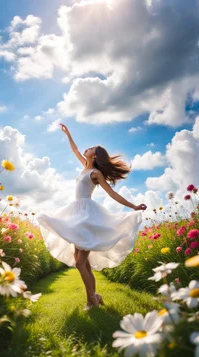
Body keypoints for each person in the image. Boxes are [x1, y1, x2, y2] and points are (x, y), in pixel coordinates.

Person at [36, 123, 147, 311]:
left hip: (87, 216)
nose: (87, 149)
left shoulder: (95, 174)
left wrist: (134, 206)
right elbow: (75, 150)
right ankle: (95, 296)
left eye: (91, 148)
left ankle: (91, 301)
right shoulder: (84, 168)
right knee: (82, 262)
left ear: (94, 156)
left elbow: (112, 194)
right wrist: (68, 133)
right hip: (75, 215)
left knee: (80, 263)